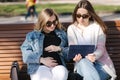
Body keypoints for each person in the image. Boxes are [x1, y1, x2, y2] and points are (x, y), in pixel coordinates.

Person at [67, 0, 117, 80]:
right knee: (83, 62)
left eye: (84, 16)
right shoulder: (72, 29)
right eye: (78, 16)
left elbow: (101, 48)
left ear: (90, 15)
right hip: (82, 65)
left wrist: (94, 55)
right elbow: (72, 48)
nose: (81, 19)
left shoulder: (97, 27)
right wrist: (75, 57)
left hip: (101, 66)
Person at [21, 8, 68, 80]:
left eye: (54, 22)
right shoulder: (32, 36)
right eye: (48, 23)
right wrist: (41, 60)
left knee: (62, 73)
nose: (52, 25)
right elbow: (26, 55)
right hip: (39, 67)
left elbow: (69, 54)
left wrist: (59, 49)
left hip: (58, 66)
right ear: (42, 22)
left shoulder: (61, 34)